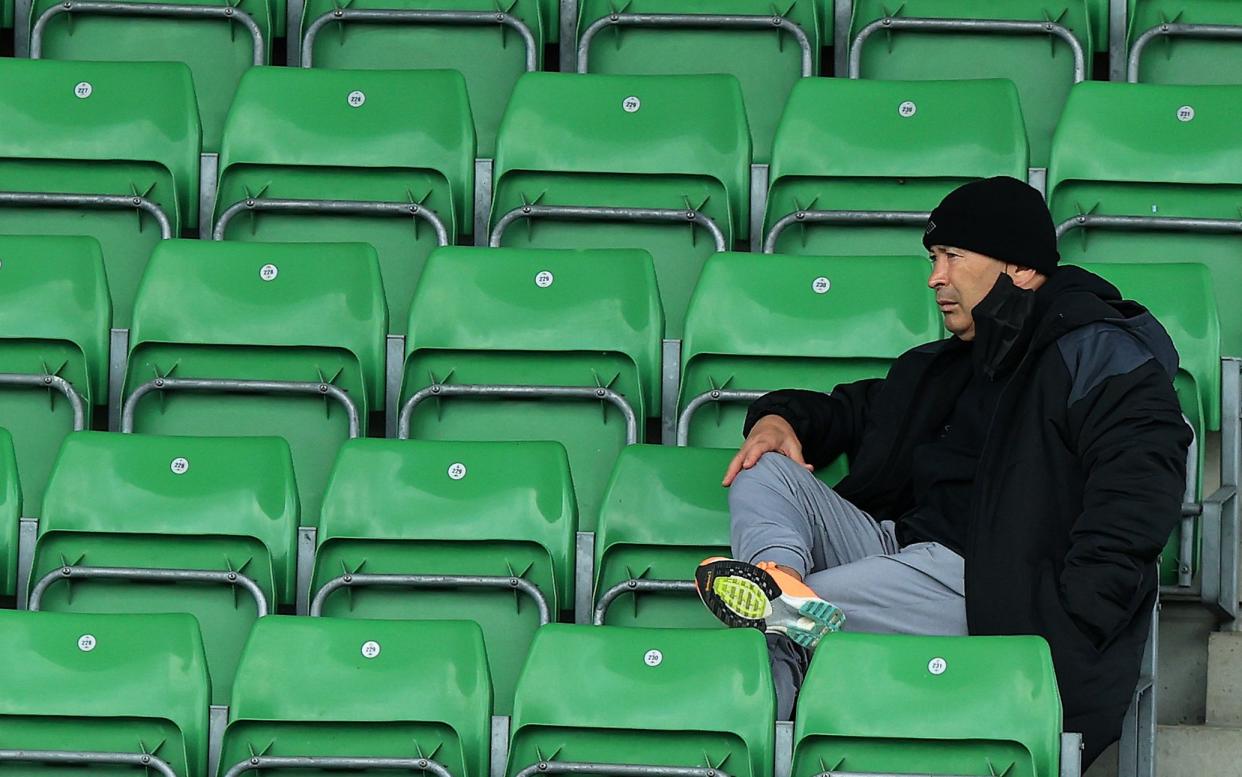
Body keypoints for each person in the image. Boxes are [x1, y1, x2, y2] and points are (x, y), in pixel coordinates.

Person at [694, 176, 1190, 765]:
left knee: (793, 625)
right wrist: (777, 419)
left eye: (953, 257)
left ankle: (776, 653)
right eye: (934, 258)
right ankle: (779, 581)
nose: (936, 277)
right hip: (897, 549)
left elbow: (1138, 490)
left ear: (1022, 269)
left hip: (982, 579)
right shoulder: (956, 363)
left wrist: (1072, 616)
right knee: (766, 468)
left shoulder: (1097, 352)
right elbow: (854, 410)